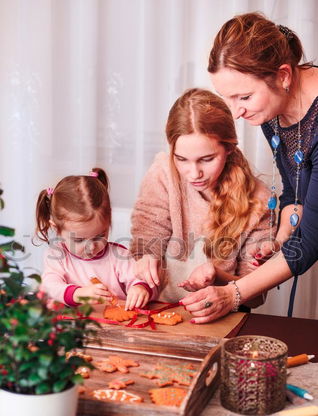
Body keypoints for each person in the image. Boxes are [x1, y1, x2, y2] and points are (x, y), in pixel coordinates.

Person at [181, 12, 318, 323]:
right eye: (228, 99)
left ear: (283, 76)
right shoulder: (272, 110)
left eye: (243, 97)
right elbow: (295, 191)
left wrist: (233, 293)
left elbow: (311, 239)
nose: (237, 112)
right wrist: (281, 238)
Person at [130, 88, 275, 306]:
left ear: (228, 148)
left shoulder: (260, 199)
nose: (194, 173)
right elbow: (146, 237)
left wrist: (218, 276)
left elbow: (254, 296)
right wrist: (146, 258)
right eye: (181, 159)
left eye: (206, 159)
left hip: (224, 318)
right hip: (162, 309)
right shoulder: (162, 172)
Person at [35, 168, 156, 310]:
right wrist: (77, 294)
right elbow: (49, 286)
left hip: (113, 328)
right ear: (56, 229)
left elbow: (141, 280)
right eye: (79, 240)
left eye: (100, 236)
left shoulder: (119, 256)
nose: (91, 247)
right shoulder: (56, 256)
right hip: (73, 326)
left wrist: (141, 289)